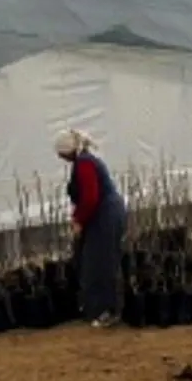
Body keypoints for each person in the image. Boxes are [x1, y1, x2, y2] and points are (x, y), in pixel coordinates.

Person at [54, 128, 126, 329]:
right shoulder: (85, 161)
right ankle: (98, 308)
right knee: (95, 260)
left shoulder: (85, 164)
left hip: (105, 216)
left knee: (100, 263)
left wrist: (78, 220)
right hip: (103, 215)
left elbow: (91, 198)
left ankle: (106, 311)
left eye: (61, 153)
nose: (61, 158)